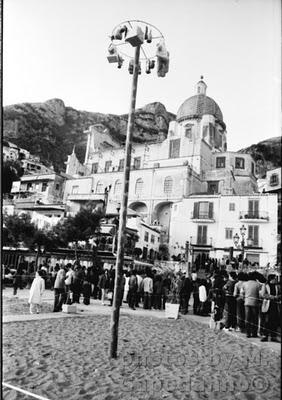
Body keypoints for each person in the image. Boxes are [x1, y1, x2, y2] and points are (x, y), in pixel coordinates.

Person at [260, 274, 281, 342]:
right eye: (275, 278)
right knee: (267, 321)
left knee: (274, 320)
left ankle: (273, 336)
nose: (276, 279)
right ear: (271, 279)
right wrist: (272, 297)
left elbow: (280, 293)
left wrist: (278, 297)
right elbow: (263, 294)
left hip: (275, 305)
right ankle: (265, 335)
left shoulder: (277, 286)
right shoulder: (265, 285)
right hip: (267, 305)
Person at [241, 272, 261, 338]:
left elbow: (242, 294)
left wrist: (244, 299)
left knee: (247, 318)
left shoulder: (244, 284)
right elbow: (260, 295)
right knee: (255, 318)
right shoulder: (258, 284)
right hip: (255, 303)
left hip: (246, 302)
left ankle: (248, 333)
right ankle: (254, 333)